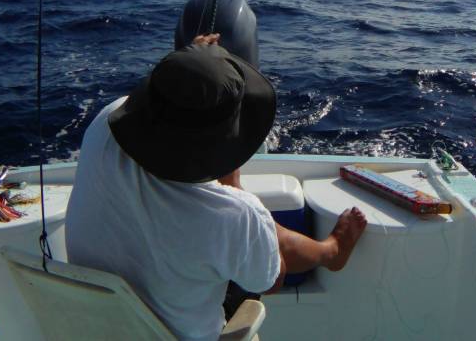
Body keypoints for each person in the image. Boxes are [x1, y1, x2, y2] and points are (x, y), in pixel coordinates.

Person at [65, 36, 366, 341]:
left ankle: (329, 251)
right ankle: (331, 252)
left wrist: (189, 69)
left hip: (97, 327)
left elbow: (150, 102)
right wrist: (233, 186)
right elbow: (272, 280)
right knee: (254, 235)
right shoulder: (233, 215)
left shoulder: (102, 124)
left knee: (250, 231)